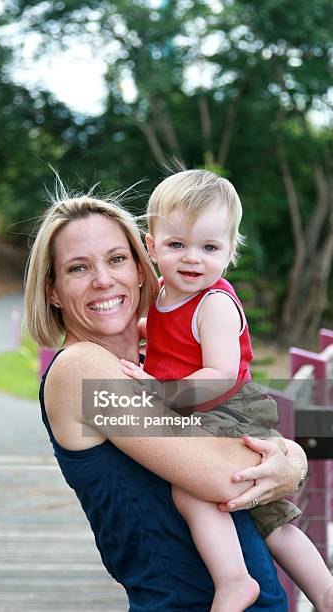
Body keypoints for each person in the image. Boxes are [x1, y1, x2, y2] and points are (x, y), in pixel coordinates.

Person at [24, 182, 309, 611]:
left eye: (117, 259)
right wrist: (289, 462)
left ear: (141, 268)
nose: (103, 280)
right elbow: (221, 476)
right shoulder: (80, 369)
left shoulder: (158, 370)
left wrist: (294, 462)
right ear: (51, 290)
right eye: (78, 269)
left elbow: (236, 440)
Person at [121, 169, 333, 611]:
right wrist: (134, 332)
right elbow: (165, 334)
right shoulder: (164, 293)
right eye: (177, 244)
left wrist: (161, 389)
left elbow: (219, 372)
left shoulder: (214, 303)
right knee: (268, 519)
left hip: (226, 409)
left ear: (230, 250)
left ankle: (238, 580)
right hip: (199, 408)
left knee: (197, 490)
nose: (192, 258)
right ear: (150, 244)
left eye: (209, 247)